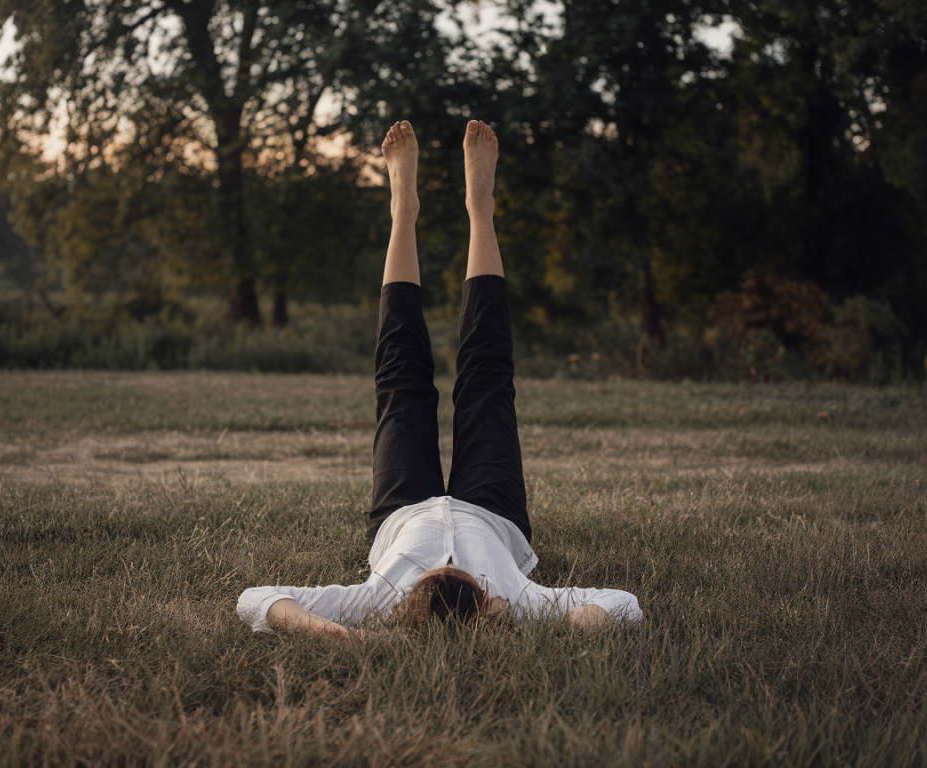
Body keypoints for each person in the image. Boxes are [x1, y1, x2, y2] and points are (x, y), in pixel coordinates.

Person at [237, 120, 641, 639]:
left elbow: (255, 600)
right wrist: (546, 622)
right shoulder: (516, 601)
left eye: (435, 585)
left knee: (400, 378)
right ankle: (481, 209)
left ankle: (403, 210)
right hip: (494, 513)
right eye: (467, 587)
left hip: (402, 512)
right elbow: (623, 605)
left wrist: (344, 636)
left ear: (410, 606)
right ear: (486, 604)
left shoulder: (379, 599)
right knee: (486, 378)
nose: (453, 576)